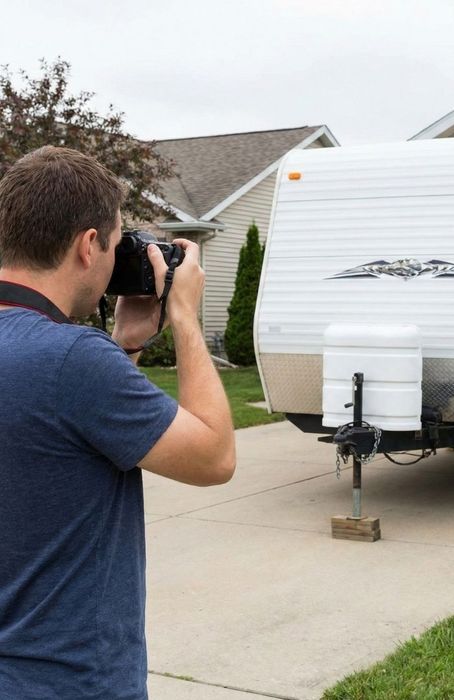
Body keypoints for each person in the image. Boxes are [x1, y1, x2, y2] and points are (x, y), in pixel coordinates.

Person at [0, 146, 236, 699]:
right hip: (67, 681)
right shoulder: (72, 360)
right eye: (115, 244)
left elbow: (65, 432)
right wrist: (184, 320)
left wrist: (125, 345)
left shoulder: (70, 364)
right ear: (88, 246)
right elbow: (214, 458)